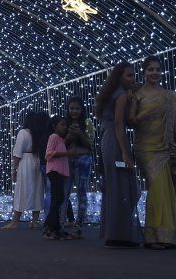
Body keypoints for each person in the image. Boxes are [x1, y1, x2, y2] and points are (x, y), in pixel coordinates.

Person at [128, 55, 176, 249]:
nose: (154, 73)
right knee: (158, 187)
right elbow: (130, 120)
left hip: (164, 146)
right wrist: (143, 114)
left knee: (163, 189)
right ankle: (155, 236)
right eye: (150, 69)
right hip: (145, 146)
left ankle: (165, 235)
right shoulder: (137, 94)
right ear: (144, 72)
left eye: (157, 69)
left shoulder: (168, 95)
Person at [97, 63, 142, 248]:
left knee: (114, 186)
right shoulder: (121, 95)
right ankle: (120, 234)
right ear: (120, 77)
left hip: (107, 141)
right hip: (116, 143)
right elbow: (119, 124)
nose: (132, 79)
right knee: (123, 185)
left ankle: (114, 232)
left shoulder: (110, 94)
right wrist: (125, 153)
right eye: (129, 76)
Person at [2, 112, 46, 230]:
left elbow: (17, 153)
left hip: (25, 162)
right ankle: (34, 221)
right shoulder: (38, 134)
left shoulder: (23, 133)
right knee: (38, 190)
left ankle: (15, 222)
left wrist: (14, 168)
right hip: (37, 160)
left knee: (21, 191)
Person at [61, 97, 94, 235]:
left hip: (83, 159)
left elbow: (90, 144)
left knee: (82, 193)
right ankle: (59, 225)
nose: (74, 111)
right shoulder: (64, 123)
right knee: (64, 193)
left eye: (77, 108)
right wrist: (68, 136)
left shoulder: (87, 122)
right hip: (68, 160)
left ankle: (79, 226)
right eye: (72, 108)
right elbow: (60, 143)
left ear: (82, 110)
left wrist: (80, 134)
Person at [43, 115, 73, 240]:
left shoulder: (61, 139)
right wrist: (66, 153)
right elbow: (48, 154)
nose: (64, 127)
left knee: (59, 199)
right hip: (54, 171)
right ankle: (49, 228)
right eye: (62, 125)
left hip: (59, 172)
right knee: (57, 199)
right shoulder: (54, 137)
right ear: (54, 126)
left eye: (65, 125)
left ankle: (54, 228)